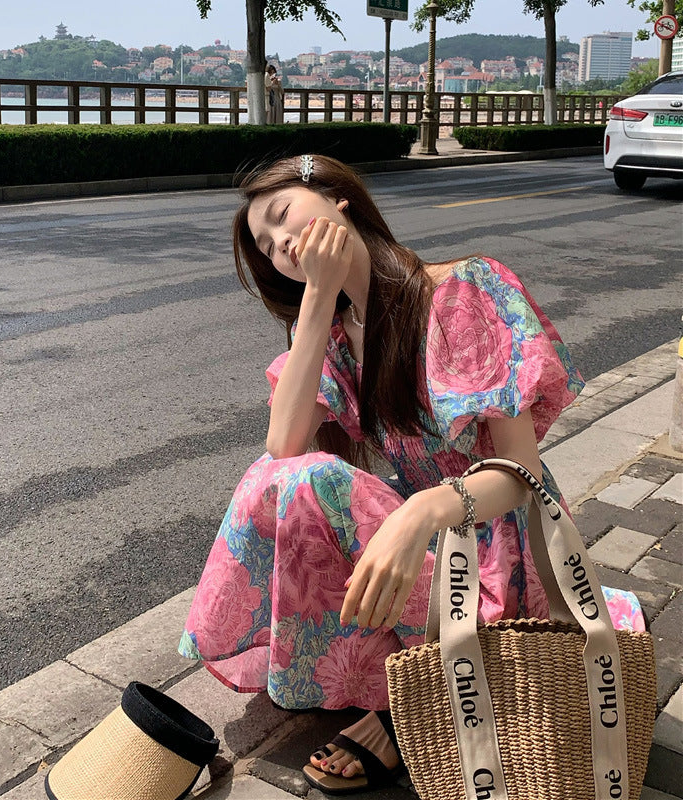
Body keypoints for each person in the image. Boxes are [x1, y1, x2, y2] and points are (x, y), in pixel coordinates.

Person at [178, 154, 645, 796]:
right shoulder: (338, 336)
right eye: (268, 247)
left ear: (339, 200)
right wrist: (317, 297)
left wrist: (419, 512)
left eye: (284, 218)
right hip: (427, 554)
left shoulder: (465, 290)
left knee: (314, 483)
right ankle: (419, 684)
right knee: (288, 479)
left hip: (501, 548)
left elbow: (519, 475)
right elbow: (281, 448)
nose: (283, 244)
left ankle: (413, 703)